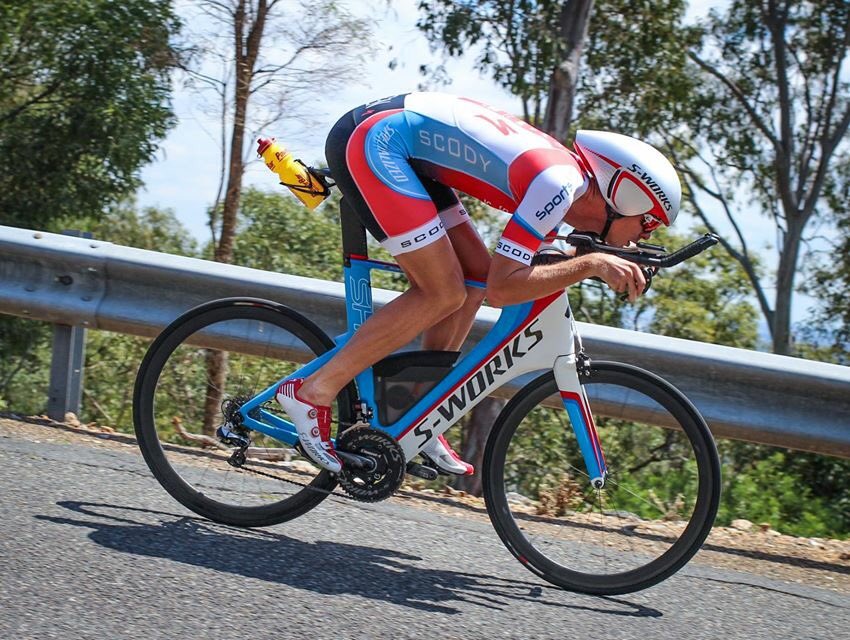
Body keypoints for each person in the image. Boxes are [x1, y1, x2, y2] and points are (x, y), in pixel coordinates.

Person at [277, 92, 681, 475]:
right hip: (375, 141)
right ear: (624, 197)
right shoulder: (558, 184)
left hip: (404, 149)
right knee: (442, 292)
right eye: (647, 224)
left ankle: (416, 409)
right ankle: (313, 392)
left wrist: (589, 259)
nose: (641, 238)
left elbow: (525, 269)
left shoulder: (566, 186)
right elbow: (504, 288)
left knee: (471, 281)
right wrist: (591, 263)